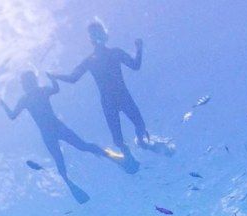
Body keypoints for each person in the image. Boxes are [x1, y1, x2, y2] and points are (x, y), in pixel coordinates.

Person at [49, 20, 172, 165]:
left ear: (103, 34)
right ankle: (128, 155)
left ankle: (141, 143)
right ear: (91, 39)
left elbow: (135, 66)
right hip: (110, 102)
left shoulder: (114, 52)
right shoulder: (92, 59)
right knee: (118, 139)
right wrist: (55, 75)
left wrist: (139, 49)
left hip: (122, 97)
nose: (97, 36)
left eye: (98, 32)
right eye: (94, 34)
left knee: (140, 126)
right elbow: (73, 78)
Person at [0, 71, 118, 203]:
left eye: (25, 82)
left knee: (66, 155)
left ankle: (73, 179)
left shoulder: (29, 97)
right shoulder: (37, 93)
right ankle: (105, 158)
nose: (26, 84)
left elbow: (12, 115)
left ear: (27, 83)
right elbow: (56, 89)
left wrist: (3, 104)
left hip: (50, 131)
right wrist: (52, 79)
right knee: (78, 148)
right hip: (56, 128)